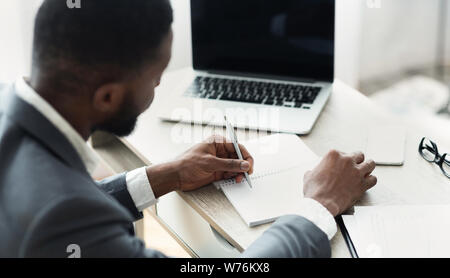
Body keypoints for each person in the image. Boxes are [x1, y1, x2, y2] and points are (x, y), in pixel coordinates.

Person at [0, 0, 377, 258]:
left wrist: (169, 174)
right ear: (107, 97)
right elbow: (65, 211)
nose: (160, 85)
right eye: (156, 76)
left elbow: (63, 201)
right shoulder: (63, 216)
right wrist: (318, 207)